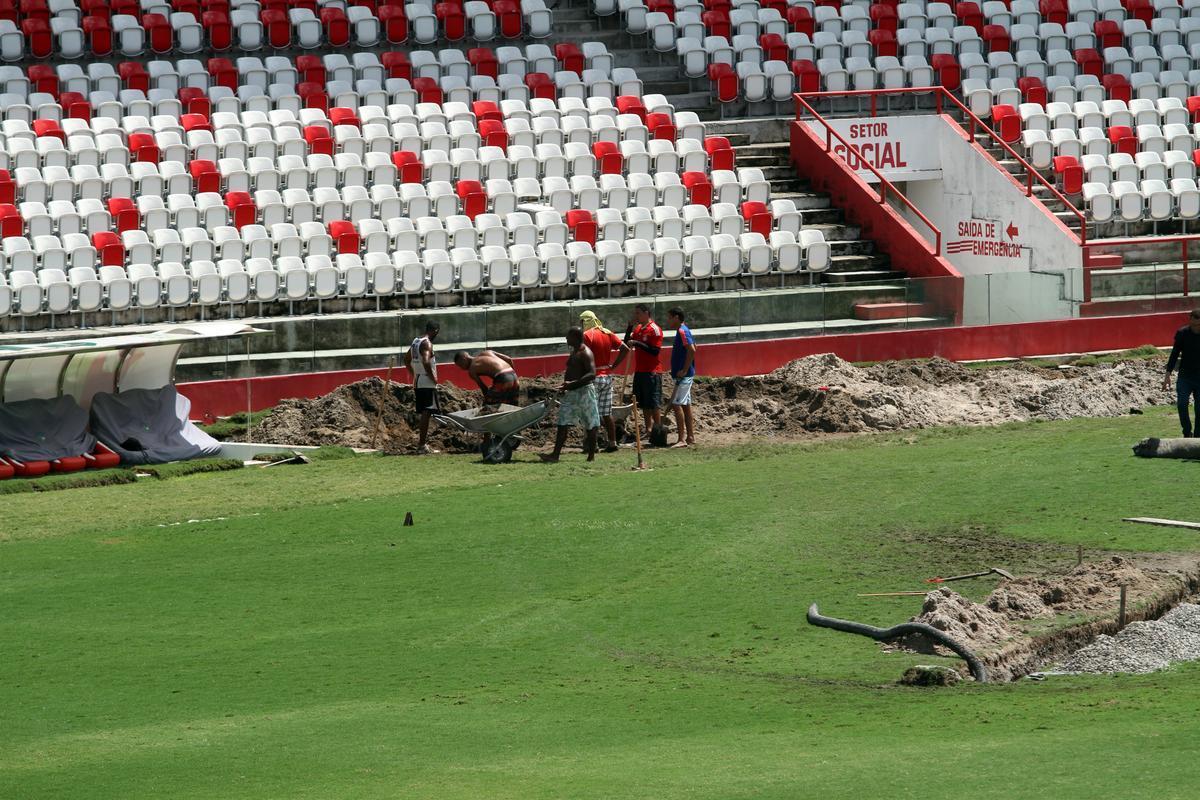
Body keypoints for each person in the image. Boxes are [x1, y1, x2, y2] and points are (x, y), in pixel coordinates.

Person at [541, 327, 600, 463]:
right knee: (562, 422)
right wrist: (567, 386)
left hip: (584, 393)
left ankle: (591, 456)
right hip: (571, 392)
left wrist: (573, 383)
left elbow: (592, 374)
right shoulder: (575, 351)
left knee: (590, 423)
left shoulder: (586, 353)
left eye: (568, 336)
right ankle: (555, 455)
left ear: (575, 337)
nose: (566, 338)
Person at [580, 309, 630, 453]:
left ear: (585, 321)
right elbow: (625, 349)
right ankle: (612, 443)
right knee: (607, 413)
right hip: (607, 377)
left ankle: (592, 444)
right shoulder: (607, 333)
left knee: (591, 412)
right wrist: (614, 366)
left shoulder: (587, 335)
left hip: (593, 377)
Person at [625, 303, 663, 438]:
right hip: (640, 370)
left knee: (654, 403)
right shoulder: (638, 329)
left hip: (652, 371)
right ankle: (649, 430)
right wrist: (629, 327)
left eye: (638, 313)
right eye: (635, 313)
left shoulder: (654, 329)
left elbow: (654, 351)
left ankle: (658, 431)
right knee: (645, 403)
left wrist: (637, 343)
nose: (636, 316)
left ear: (646, 313)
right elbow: (627, 341)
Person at [403, 320, 440, 454]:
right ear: (435, 331)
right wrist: (433, 378)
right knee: (427, 411)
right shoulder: (427, 343)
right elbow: (426, 361)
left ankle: (422, 444)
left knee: (425, 412)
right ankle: (422, 445)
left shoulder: (416, 341)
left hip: (418, 380)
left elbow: (406, 359)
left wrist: (414, 374)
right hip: (426, 381)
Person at [1162, 309, 1200, 436]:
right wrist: (1167, 375)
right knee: (1182, 404)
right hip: (1185, 376)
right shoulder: (1182, 333)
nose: (1196, 327)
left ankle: (1198, 436)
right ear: (1190, 320)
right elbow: (1174, 354)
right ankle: (1187, 432)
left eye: (1199, 325)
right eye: (1194, 324)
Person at [667, 307, 696, 448]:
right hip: (684, 374)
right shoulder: (683, 331)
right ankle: (690, 436)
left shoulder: (682, 331)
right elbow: (693, 346)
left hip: (684, 376)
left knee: (676, 404)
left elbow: (692, 349)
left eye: (670, 317)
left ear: (677, 317)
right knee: (685, 405)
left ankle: (681, 439)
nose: (668, 321)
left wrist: (684, 370)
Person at [454, 349, 519, 409]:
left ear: (464, 359)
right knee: (513, 407)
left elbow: (483, 388)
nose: (462, 368)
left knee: (490, 407)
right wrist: (513, 377)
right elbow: (509, 359)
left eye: (460, 365)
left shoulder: (472, 370)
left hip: (502, 378)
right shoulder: (488, 352)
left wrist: (487, 401)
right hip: (513, 375)